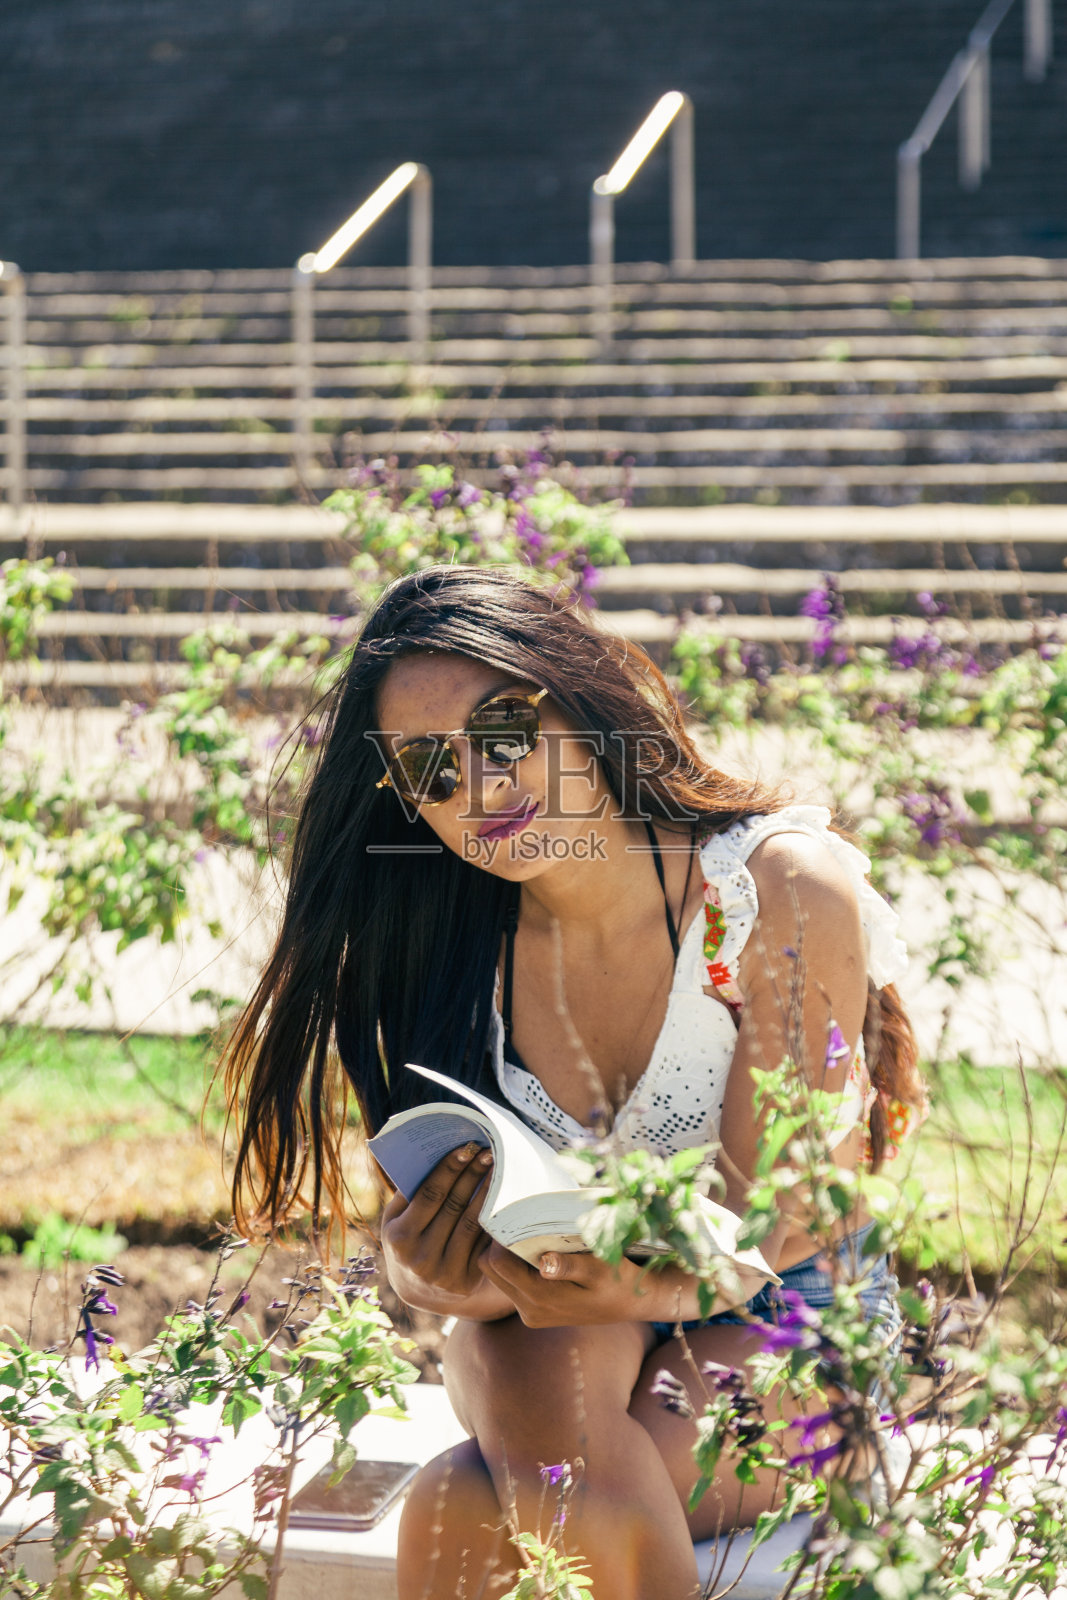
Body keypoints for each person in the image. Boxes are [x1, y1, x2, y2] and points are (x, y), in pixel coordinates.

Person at [224, 563, 925, 1600]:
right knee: (542, 1407)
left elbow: (777, 1216)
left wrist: (641, 1285)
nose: (480, 784)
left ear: (578, 696)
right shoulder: (448, 941)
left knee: (470, 1500)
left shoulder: (774, 885)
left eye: (503, 733)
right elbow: (447, 1248)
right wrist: (429, 1268)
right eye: (429, 770)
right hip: (563, 1320)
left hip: (791, 1312)